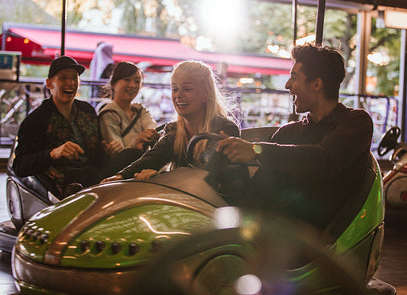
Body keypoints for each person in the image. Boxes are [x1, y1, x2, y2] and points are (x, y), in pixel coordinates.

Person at [216, 44, 374, 231]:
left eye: (294, 78)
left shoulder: (356, 123)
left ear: (316, 84)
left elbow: (323, 160)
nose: (287, 86)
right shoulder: (288, 133)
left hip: (317, 241)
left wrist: (254, 149)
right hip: (273, 229)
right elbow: (260, 191)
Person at [101, 60, 239, 183]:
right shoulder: (173, 130)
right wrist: (120, 177)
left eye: (187, 89)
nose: (178, 95)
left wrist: (161, 177)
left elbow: (209, 177)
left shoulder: (225, 129)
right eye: (175, 89)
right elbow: (152, 159)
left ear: (206, 94)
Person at [13, 56, 105, 199]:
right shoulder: (37, 119)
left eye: (74, 78)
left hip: (93, 177)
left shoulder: (87, 111)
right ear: (49, 84)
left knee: (129, 156)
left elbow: (98, 152)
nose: (70, 83)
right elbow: (20, 166)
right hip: (61, 184)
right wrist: (53, 153)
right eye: (63, 78)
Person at [98, 62, 159, 175]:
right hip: (120, 173)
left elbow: (152, 130)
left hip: (142, 168)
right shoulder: (108, 114)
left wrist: (147, 136)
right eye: (127, 79)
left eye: (137, 81)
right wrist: (137, 141)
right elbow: (120, 155)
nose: (132, 85)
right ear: (113, 83)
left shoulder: (139, 109)